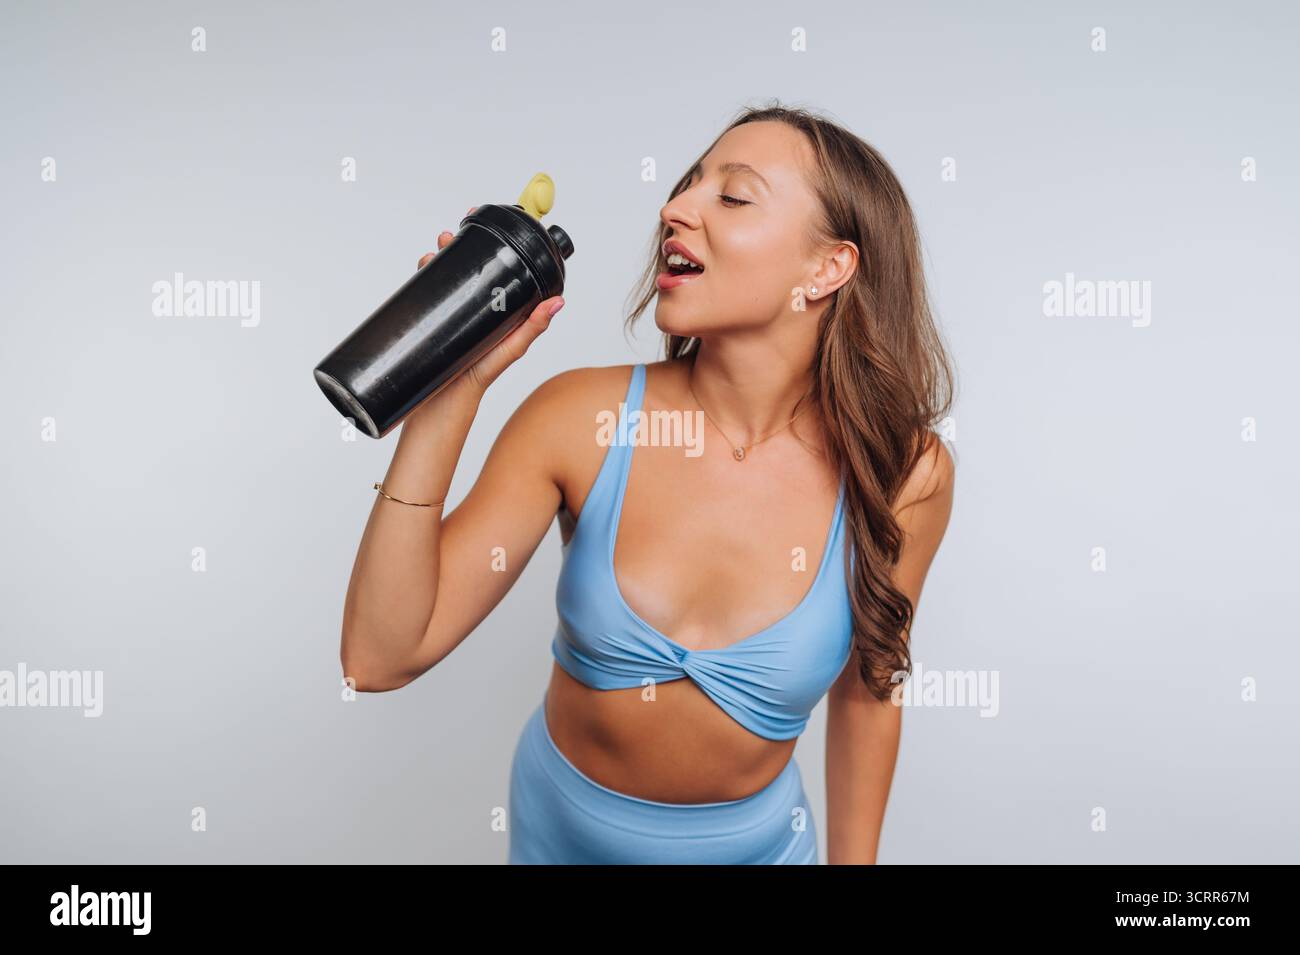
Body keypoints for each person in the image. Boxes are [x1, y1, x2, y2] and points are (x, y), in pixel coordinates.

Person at [339, 102, 957, 864]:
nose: (673, 208)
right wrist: (447, 391)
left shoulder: (905, 471)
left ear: (828, 267)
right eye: (687, 185)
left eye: (732, 196)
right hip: (559, 839)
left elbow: (868, 690)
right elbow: (377, 656)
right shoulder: (582, 418)